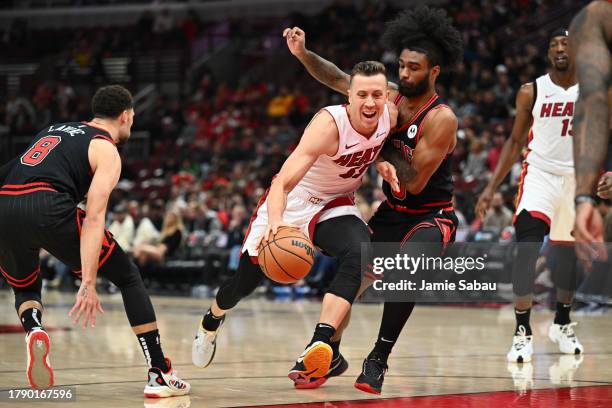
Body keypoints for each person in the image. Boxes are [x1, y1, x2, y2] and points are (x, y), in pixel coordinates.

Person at [283, 6, 461, 394]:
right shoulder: (387, 98)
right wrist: (302, 54)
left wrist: (379, 148)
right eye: (401, 65)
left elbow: (413, 183)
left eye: (414, 68)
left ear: (434, 72)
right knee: (353, 276)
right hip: (391, 212)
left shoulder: (440, 118)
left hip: (431, 214)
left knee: (409, 268)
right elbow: (337, 78)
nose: (405, 74)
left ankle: (378, 357)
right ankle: (327, 350)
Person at [192, 61, 398, 385]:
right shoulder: (329, 125)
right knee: (243, 285)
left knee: (361, 254)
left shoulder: (390, 115)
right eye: (362, 95)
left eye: (377, 95)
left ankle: (322, 341)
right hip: (293, 200)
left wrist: (384, 162)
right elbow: (282, 183)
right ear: (349, 94)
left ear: (387, 95)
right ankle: (211, 320)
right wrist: (276, 222)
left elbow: (380, 144)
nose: (370, 103)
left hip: (335, 202)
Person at [0, 85, 189, 397]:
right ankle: (160, 372)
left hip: (5, 205)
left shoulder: (53, 129)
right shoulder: (105, 148)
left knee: (25, 287)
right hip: (49, 205)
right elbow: (94, 216)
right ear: (126, 116)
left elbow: (7, 172)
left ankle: (34, 328)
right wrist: (88, 281)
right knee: (128, 276)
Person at [476, 29, 584, 363]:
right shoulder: (532, 90)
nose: (560, 49)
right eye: (553, 45)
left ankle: (562, 324)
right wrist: (491, 187)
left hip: (575, 178)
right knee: (526, 250)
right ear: (548, 54)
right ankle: (522, 332)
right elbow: (513, 142)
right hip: (538, 175)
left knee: (568, 258)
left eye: (566, 44)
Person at [569, 1, 611, 259]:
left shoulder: (597, 16)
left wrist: (583, 199)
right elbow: (592, 100)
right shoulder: (599, 16)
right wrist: (585, 197)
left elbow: (592, 99)